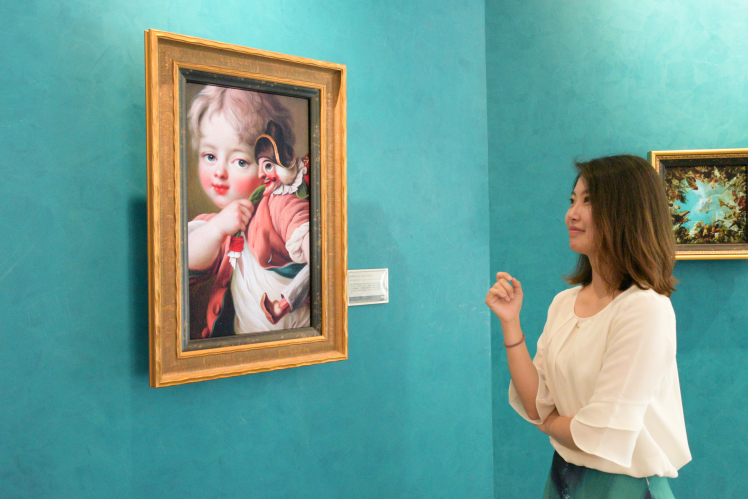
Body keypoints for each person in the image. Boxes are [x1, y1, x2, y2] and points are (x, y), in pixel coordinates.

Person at [486, 155, 691, 498]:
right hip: (564, 477)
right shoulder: (563, 302)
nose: (572, 213)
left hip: (626, 487)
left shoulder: (645, 308)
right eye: (572, 200)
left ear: (626, 212)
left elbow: (601, 432)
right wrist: (510, 323)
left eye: (588, 201)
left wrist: (548, 423)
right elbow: (536, 404)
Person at [187, 86, 310, 337]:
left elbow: (304, 230)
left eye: (240, 162)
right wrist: (218, 228)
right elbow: (182, 257)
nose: (219, 172)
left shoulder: (279, 202)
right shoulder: (221, 224)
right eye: (210, 156)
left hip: (290, 338)